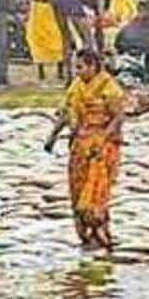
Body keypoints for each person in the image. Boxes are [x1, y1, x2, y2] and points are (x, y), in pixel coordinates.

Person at [48, 49, 125, 250]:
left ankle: (100, 232)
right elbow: (67, 112)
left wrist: (103, 139)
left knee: (95, 191)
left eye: (80, 67)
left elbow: (117, 118)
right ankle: (86, 235)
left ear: (93, 66)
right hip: (79, 146)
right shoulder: (76, 87)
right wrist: (53, 136)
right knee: (78, 189)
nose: (77, 71)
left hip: (101, 147)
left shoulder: (110, 88)